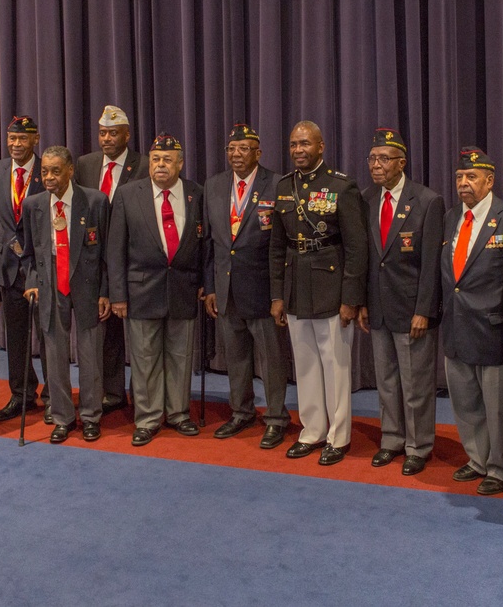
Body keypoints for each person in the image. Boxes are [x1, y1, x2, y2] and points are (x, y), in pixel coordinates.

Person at [269, 120, 367, 466]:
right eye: (294, 144)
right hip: (296, 285)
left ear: (321, 146)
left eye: (305, 144)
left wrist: (351, 299)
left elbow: (357, 248)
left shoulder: (342, 187)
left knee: (335, 365)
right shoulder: (283, 187)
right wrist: (277, 296)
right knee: (306, 363)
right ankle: (312, 430)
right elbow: (277, 248)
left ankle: (338, 436)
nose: (298, 150)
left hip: (330, 284)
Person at [107, 133, 204, 446]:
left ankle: (178, 414)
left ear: (180, 163)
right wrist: (118, 294)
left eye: (167, 160)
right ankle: (147, 418)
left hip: (183, 289)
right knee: (145, 357)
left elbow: (204, 246)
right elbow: (115, 248)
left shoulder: (195, 193)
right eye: (156, 160)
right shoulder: (127, 194)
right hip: (141, 290)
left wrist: (204, 283)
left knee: (180, 355)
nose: (161, 165)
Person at [357, 128, 444, 476]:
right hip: (378, 307)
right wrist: (362, 302)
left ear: (401, 163)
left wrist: (424, 309)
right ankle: (391, 439)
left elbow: (430, 265)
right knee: (387, 381)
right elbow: (365, 257)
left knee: (415, 384)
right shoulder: (366, 199)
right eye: (372, 159)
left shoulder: (426, 201)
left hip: (412, 310)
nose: (376, 166)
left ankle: (418, 445)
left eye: (383, 159)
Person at [203, 123, 290, 449]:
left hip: (263, 290)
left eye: (243, 149)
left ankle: (277, 418)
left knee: (271, 360)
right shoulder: (214, 185)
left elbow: (283, 243)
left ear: (258, 152)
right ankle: (241, 412)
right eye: (231, 149)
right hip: (226, 290)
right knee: (235, 358)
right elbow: (210, 244)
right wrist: (210, 286)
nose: (236, 155)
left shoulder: (277, 183)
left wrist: (279, 294)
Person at [440, 146, 503, 496]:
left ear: (489, 181)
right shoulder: (450, 217)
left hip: (493, 328)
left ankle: (502, 468)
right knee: (465, 400)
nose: (463, 183)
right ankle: (477, 458)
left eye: (471, 177)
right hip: (456, 324)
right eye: (459, 177)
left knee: (500, 407)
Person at [21, 146, 110, 443]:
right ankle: (61, 417)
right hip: (50, 289)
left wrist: (105, 292)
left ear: (70, 171)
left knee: (90, 357)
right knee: (55, 357)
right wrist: (31, 281)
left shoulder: (95, 201)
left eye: (55, 171)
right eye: (44, 171)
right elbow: (28, 253)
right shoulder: (33, 205)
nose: (49, 177)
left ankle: (90, 416)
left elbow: (108, 254)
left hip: (86, 288)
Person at [75, 105, 149, 413]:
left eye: (113, 133)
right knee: (100, 332)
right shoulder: (84, 164)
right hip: (91, 261)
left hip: (131, 260)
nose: (106, 139)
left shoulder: (143, 165)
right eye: (103, 133)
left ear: (127, 135)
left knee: (131, 335)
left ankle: (132, 396)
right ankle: (107, 393)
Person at [0, 115, 49, 423]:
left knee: (49, 335)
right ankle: (21, 393)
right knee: (17, 337)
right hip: (10, 269)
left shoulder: (47, 169)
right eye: (12, 138)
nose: (16, 144)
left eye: (22, 139)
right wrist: (3, 248)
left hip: (43, 269)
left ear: (35, 140)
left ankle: (53, 395)